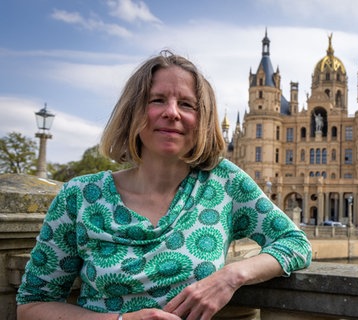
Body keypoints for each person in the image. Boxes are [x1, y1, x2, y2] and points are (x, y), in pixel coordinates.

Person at [17, 50, 312, 320]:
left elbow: (295, 243)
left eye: (186, 104)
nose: (172, 112)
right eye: (157, 100)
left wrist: (231, 276)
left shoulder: (224, 183)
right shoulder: (79, 197)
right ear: (132, 112)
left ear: (203, 120)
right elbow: (31, 305)